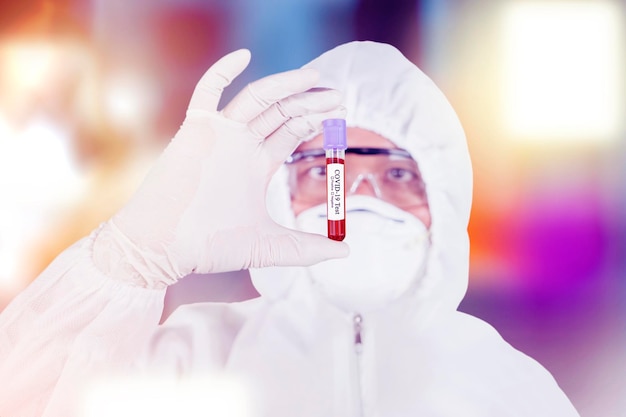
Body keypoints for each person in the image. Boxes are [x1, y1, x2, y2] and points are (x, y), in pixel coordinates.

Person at [0, 41, 579, 416]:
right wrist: (130, 257)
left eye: (398, 172)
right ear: (276, 190)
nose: (359, 196)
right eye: (332, 170)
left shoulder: (510, 391)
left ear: (446, 203)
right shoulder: (189, 357)